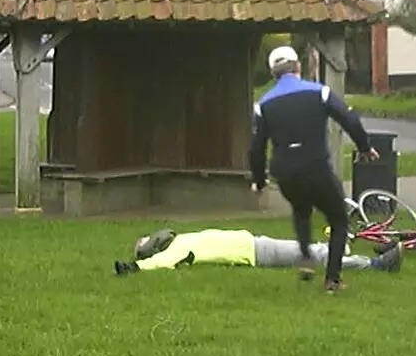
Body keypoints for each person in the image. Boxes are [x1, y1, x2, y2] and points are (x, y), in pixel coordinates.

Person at [248, 44, 379, 292]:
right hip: (316, 167)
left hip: (286, 173)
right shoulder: (319, 92)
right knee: (338, 219)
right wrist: (364, 147)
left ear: (273, 74)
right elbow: (349, 119)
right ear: (298, 67)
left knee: (300, 209)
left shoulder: (263, 105)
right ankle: (332, 279)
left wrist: (260, 180)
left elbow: (255, 148)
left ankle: (306, 256)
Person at [114, 228, 401, 275]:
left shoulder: (183, 239)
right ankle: (376, 264)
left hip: (256, 242)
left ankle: (350, 250)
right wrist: (134, 267)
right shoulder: (174, 251)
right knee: (315, 255)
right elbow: (159, 264)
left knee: (313, 249)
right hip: (257, 253)